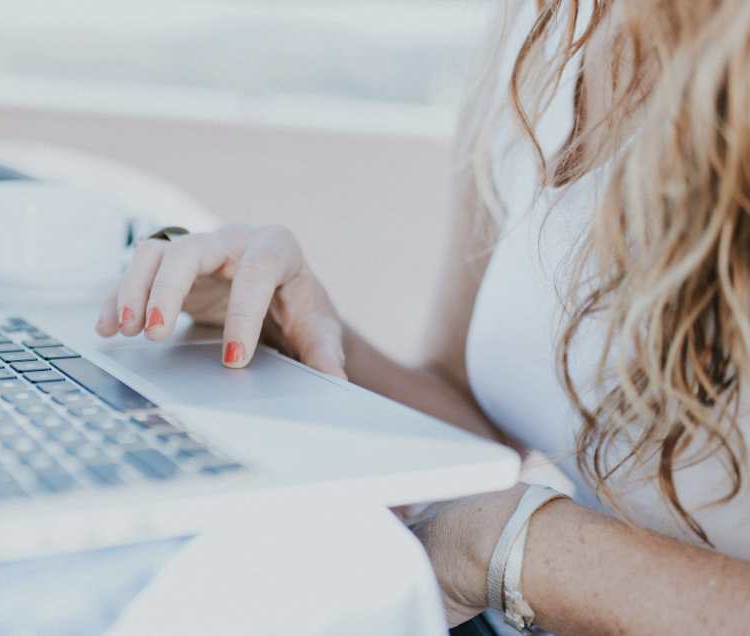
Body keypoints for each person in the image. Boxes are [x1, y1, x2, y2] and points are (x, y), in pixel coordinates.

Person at [95, 0, 750, 632]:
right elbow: (473, 421)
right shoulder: (540, 31)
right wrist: (299, 332)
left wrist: (513, 544)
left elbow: (490, 527)